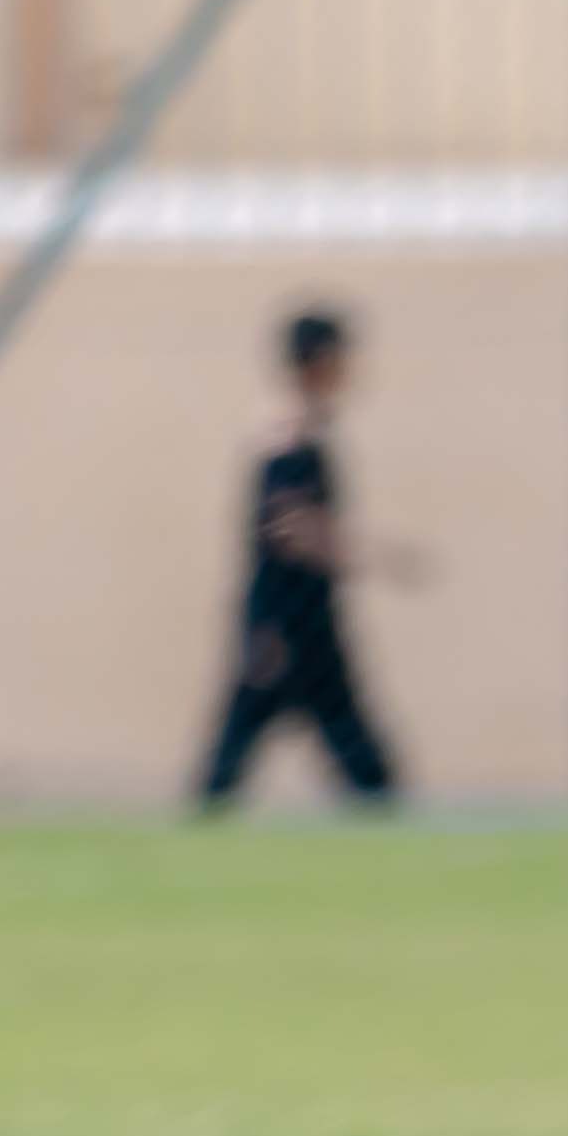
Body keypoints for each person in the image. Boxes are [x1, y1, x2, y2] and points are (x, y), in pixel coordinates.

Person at [194, 308, 409, 813]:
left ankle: (384, 812)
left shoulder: (305, 429)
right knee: (243, 737)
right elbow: (287, 525)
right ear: (318, 361)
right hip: (283, 618)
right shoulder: (288, 436)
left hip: (308, 615)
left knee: (349, 740)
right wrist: (363, 554)